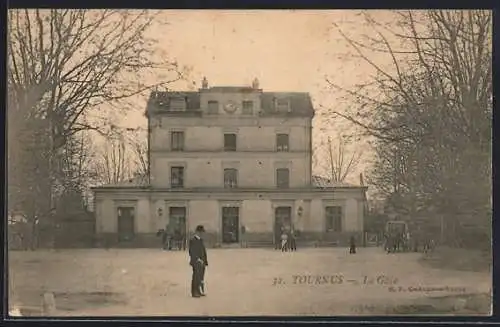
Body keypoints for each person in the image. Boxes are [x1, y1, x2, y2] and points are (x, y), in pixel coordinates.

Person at [189, 225, 208, 297]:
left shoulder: (201, 240)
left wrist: (205, 261)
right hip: (196, 262)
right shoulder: (193, 240)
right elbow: (192, 252)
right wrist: (197, 259)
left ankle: (199, 290)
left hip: (202, 262)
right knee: (195, 277)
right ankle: (194, 292)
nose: (202, 234)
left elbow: (203, 251)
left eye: (202, 232)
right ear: (197, 232)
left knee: (200, 277)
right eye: (201, 232)